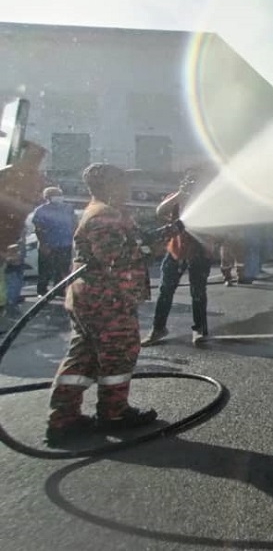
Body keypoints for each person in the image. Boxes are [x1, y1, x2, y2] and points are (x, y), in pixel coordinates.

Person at [46, 164, 161, 446]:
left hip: (89, 301)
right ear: (110, 185)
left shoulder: (100, 211)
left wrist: (142, 238)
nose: (127, 188)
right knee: (119, 356)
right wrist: (149, 249)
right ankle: (114, 414)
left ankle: (63, 419)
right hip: (107, 303)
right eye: (123, 183)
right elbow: (115, 260)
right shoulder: (105, 216)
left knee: (82, 357)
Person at [143, 169, 213, 346]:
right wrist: (180, 195)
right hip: (175, 252)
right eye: (188, 183)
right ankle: (158, 329)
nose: (191, 187)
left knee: (198, 293)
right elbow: (160, 211)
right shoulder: (176, 198)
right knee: (165, 292)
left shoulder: (206, 201)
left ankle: (199, 330)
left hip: (199, 253)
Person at [0, 141, 47, 308]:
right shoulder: (8, 174)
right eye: (33, 158)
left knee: (10, 270)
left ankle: (6, 303)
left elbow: (35, 202)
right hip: (6, 230)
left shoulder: (35, 178)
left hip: (13, 232)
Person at [32, 187, 77, 297]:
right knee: (45, 269)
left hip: (65, 244)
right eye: (55, 194)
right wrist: (43, 244)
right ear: (47, 197)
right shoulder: (41, 210)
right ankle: (42, 290)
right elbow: (38, 228)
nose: (58, 197)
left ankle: (60, 289)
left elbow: (75, 223)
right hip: (48, 244)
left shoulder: (68, 208)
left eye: (59, 194)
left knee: (63, 268)